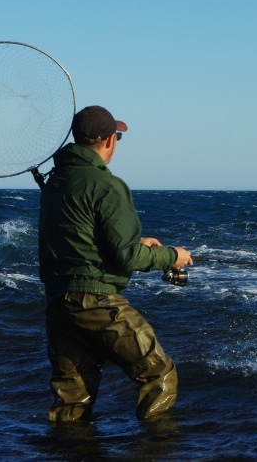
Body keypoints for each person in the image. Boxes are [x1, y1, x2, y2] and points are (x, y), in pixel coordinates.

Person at [38, 105, 193, 422]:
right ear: (108, 141)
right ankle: (155, 450)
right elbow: (128, 257)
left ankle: (68, 451)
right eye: (117, 136)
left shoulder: (57, 183)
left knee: (73, 399)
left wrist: (135, 243)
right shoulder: (106, 185)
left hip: (59, 306)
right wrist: (172, 256)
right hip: (96, 303)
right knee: (159, 375)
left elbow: (80, 240)